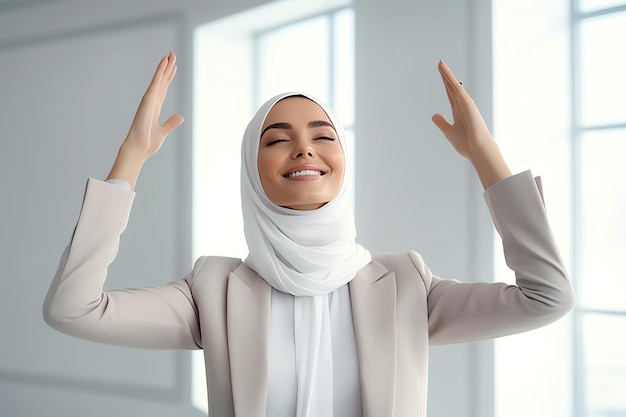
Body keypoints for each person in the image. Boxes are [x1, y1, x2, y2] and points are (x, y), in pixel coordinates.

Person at [43, 52, 575, 417]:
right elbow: (74, 309)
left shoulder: (406, 284)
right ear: (252, 170)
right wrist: (131, 158)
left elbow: (546, 299)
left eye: (323, 136)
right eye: (278, 140)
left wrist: (487, 159)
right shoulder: (214, 288)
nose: (304, 149)